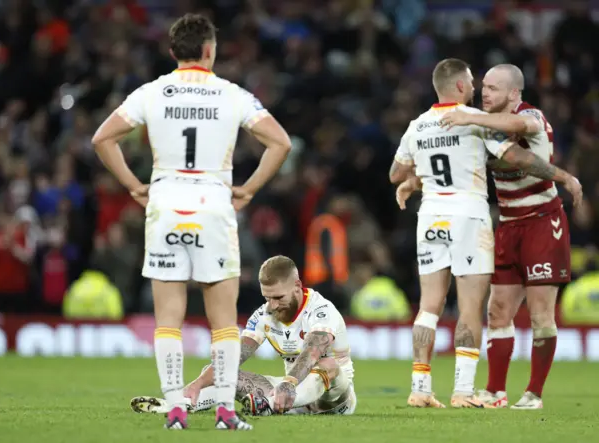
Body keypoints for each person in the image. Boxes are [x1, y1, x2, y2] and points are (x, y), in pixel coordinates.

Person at [91, 14, 292, 430]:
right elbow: (280, 142)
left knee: (168, 318)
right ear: (208, 50)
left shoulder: (151, 92)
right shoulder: (232, 94)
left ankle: (176, 408)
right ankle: (224, 411)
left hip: (165, 203)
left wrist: (133, 184)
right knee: (222, 320)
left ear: (172, 53)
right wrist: (249, 188)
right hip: (213, 203)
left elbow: (102, 139)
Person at [390, 58, 582, 409]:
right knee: (493, 311)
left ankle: (533, 392)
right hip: (502, 223)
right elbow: (460, 160)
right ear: (461, 85)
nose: (482, 92)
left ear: (514, 92)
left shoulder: (527, 116)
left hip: (541, 220)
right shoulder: (476, 124)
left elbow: (519, 131)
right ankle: (490, 391)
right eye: (481, 85)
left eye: (492, 88)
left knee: (540, 315)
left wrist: (564, 177)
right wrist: (415, 181)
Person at [130, 255, 356, 417]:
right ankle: (182, 403)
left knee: (327, 363)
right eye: (267, 298)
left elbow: (312, 351)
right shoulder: (264, 315)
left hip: (335, 399)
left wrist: (288, 384)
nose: (273, 305)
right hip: (287, 399)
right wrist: (197, 384)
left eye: (278, 297)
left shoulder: (321, 310)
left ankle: (266, 404)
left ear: (297, 286)